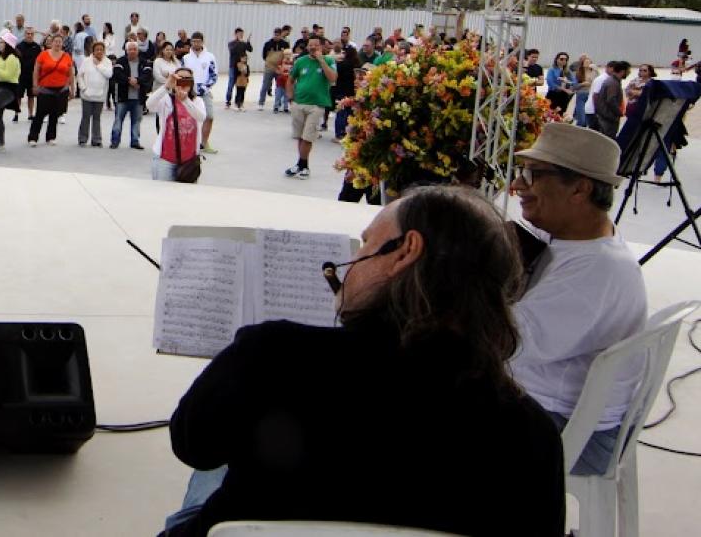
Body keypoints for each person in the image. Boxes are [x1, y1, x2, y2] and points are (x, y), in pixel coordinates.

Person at [165, 186, 564, 537]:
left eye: (367, 244)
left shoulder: (272, 354)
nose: (352, 261)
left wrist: (236, 373)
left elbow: (193, 446)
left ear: (406, 251)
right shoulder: (532, 433)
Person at [511, 124, 644, 475]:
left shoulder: (594, 271)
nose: (518, 186)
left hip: (572, 432)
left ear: (580, 189)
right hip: (557, 408)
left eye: (533, 175)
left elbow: (505, 343)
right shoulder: (576, 238)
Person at [284, 37, 336, 179]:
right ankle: (302, 165)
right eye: (310, 45)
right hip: (299, 102)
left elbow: (332, 78)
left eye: (316, 45)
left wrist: (321, 61)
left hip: (317, 105)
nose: (313, 47)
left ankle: (302, 165)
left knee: (308, 136)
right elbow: (290, 79)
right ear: (307, 47)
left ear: (322, 47)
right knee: (300, 136)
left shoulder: (329, 61)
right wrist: (290, 97)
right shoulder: (300, 61)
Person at [146, 66, 205, 181]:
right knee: (162, 194)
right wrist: (167, 86)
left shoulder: (198, 101)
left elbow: (201, 117)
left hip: (189, 159)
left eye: (187, 79)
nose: (183, 81)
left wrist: (185, 100)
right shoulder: (166, 100)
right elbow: (149, 105)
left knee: (186, 196)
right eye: (180, 78)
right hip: (165, 158)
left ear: (192, 82)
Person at [27, 34, 74, 147]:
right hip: (45, 89)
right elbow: (36, 71)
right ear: (51, 42)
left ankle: (51, 137)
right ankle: (33, 137)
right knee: (40, 114)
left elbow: (70, 74)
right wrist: (35, 85)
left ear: (62, 44)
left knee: (55, 114)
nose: (58, 44)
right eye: (56, 41)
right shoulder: (43, 55)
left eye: (60, 42)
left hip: (61, 89)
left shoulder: (67, 56)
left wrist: (72, 88)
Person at [110, 40, 152, 149]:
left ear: (138, 51)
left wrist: (137, 81)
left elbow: (147, 76)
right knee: (118, 120)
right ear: (126, 50)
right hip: (122, 97)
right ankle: (115, 141)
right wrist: (130, 81)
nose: (132, 51)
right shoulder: (120, 61)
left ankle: (135, 141)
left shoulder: (144, 63)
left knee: (136, 121)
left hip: (138, 98)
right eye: (130, 49)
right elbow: (117, 75)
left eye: (134, 49)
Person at [181, 33, 219, 153]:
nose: (196, 44)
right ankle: (187, 142)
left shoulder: (210, 57)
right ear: (191, 42)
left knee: (209, 116)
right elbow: (182, 75)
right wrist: (189, 89)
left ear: (202, 42)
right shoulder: (186, 58)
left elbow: (214, 75)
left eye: (198, 41)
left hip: (205, 91)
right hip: (189, 92)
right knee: (189, 118)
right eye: (194, 41)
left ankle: (204, 142)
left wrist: (204, 87)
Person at [75, 40, 113, 148]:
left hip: (100, 95)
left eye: (101, 49)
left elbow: (109, 74)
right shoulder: (86, 61)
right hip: (87, 95)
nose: (99, 51)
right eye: (97, 49)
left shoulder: (107, 62)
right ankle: (82, 139)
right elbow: (80, 76)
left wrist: (99, 65)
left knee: (97, 118)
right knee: (85, 117)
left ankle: (96, 140)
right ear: (93, 50)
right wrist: (83, 88)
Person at [331, 37, 361, 139]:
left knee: (341, 112)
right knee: (350, 113)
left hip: (341, 91)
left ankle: (339, 134)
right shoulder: (357, 64)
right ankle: (348, 133)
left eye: (344, 53)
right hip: (353, 91)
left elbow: (335, 75)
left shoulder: (341, 65)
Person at [591, 60, 629, 138]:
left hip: (606, 117)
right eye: (628, 71)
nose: (629, 73)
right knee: (607, 141)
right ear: (622, 71)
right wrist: (619, 112)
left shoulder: (613, 81)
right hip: (608, 118)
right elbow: (611, 100)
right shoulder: (613, 83)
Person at [15, 26, 43, 122]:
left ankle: (30, 114)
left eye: (31, 34)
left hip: (32, 75)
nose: (29, 35)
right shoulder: (19, 46)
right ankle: (16, 114)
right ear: (24, 34)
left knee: (31, 96)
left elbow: (40, 62)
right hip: (20, 75)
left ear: (34, 35)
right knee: (18, 95)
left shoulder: (37, 47)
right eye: (28, 34)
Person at [258, 27, 287, 109]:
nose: (276, 36)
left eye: (278, 35)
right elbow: (264, 56)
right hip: (269, 67)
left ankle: (278, 104)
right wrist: (270, 61)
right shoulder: (268, 44)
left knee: (280, 87)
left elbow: (287, 55)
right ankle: (261, 103)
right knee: (265, 85)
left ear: (281, 35)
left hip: (280, 68)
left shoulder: (285, 44)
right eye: (275, 34)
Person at [224, 28, 252, 109]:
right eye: (239, 34)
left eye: (242, 34)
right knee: (231, 83)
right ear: (235, 34)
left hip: (242, 66)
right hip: (233, 66)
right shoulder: (231, 43)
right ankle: (228, 101)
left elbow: (250, 49)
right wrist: (238, 42)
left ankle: (239, 102)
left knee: (241, 84)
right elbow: (232, 51)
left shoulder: (243, 43)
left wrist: (248, 41)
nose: (241, 35)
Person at [545, 51, 576, 115]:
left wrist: (567, 81)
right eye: (561, 59)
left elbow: (574, 81)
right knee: (550, 113)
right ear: (556, 59)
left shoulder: (567, 71)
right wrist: (563, 89)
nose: (563, 61)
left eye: (566, 59)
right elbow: (550, 82)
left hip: (564, 95)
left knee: (560, 113)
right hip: (553, 94)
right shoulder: (552, 69)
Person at [571, 54, 597, 126]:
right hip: (581, 95)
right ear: (582, 64)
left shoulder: (594, 72)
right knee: (582, 120)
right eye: (586, 62)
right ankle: (577, 131)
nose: (587, 64)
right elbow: (574, 87)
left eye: (589, 62)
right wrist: (583, 84)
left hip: (591, 96)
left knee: (588, 119)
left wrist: (595, 70)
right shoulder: (578, 73)